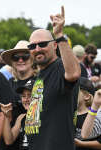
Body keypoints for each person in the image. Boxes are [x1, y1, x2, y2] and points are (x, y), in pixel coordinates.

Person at [24, 6, 81, 150]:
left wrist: (60, 35)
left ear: (54, 45)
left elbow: (74, 74)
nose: (37, 49)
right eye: (32, 46)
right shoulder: (40, 74)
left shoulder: (60, 67)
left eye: (42, 44)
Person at [0, 80, 34, 150]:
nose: (26, 99)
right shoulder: (21, 117)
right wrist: (6, 116)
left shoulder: (45, 117)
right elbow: (8, 140)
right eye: (23, 96)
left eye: (30, 95)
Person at [74, 77, 101, 150]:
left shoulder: (97, 115)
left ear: (86, 96)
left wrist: (81, 144)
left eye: (74, 90)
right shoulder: (69, 114)